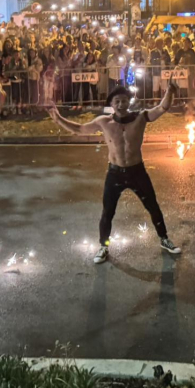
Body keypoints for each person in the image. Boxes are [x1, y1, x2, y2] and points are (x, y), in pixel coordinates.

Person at [46, 82, 182, 264]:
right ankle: (103, 246)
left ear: (129, 102)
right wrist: (58, 118)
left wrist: (170, 91)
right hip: (115, 173)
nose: (120, 105)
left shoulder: (140, 118)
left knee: (153, 206)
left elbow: (162, 107)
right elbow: (79, 129)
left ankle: (164, 239)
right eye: (116, 101)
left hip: (137, 171)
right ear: (111, 103)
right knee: (107, 212)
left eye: (124, 101)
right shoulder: (104, 122)